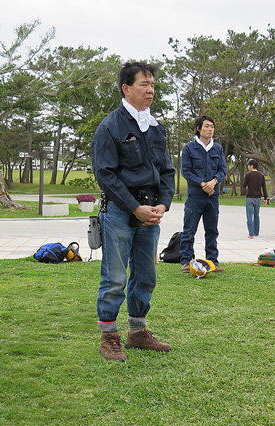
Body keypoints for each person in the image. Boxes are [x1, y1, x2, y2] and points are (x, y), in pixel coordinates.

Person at [91, 61, 176, 361]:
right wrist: (135, 207)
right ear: (126, 89)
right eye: (144, 84)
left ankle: (138, 332)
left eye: (152, 84)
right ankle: (109, 336)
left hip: (151, 213)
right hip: (119, 212)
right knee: (114, 277)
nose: (150, 89)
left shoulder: (155, 127)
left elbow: (167, 170)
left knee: (146, 275)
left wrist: (162, 204)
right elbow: (106, 176)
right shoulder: (110, 127)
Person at [179, 115, 228, 273]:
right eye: (206, 126)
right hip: (195, 196)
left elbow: (223, 170)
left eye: (212, 127)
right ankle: (186, 261)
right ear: (199, 128)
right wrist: (202, 184)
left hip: (212, 197)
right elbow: (186, 171)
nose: (210, 129)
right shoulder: (189, 148)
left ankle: (213, 261)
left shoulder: (218, 149)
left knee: (212, 230)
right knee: (189, 230)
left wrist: (214, 182)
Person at [242, 159, 268, 239]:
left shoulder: (248, 175)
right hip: (258, 198)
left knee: (249, 216)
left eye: (248, 166)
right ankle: (256, 232)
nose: (248, 167)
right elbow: (264, 187)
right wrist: (265, 198)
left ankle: (251, 234)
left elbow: (244, 185)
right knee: (256, 215)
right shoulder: (261, 175)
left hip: (250, 197)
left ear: (251, 166)